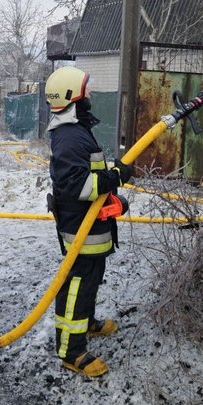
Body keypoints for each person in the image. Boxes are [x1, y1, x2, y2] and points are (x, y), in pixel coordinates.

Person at [44, 66, 133, 378]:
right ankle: (72, 350)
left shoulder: (75, 129)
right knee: (78, 285)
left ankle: (86, 322)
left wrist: (110, 178)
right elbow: (76, 186)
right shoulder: (69, 135)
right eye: (87, 89)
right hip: (80, 224)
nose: (92, 94)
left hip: (89, 223)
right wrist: (114, 177)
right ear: (73, 95)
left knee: (90, 279)